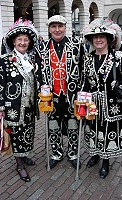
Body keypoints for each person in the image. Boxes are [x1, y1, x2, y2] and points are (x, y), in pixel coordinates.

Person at [81, 18, 122, 179]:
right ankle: (95, 155)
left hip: (112, 106)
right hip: (92, 104)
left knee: (107, 132)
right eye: (95, 37)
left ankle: (105, 161)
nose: (98, 39)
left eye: (102, 36)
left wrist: (121, 88)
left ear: (109, 39)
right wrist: (82, 100)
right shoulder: (88, 58)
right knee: (93, 131)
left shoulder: (119, 57)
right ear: (91, 40)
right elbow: (85, 81)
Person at [0, 18, 40, 182]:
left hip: (29, 106)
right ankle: (19, 165)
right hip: (13, 107)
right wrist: (0, 107)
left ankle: (24, 156)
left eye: (25, 39)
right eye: (19, 39)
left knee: (27, 133)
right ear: (13, 41)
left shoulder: (30, 59)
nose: (23, 42)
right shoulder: (4, 60)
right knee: (15, 135)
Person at [36, 15, 82, 169]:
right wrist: (41, 91)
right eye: (53, 27)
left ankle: (73, 154)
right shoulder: (41, 48)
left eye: (60, 26)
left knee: (73, 126)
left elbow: (82, 69)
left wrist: (81, 92)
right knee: (53, 127)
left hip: (71, 96)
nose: (57, 30)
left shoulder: (77, 44)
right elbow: (38, 73)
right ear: (49, 29)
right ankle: (56, 153)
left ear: (65, 27)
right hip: (51, 96)